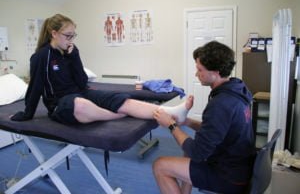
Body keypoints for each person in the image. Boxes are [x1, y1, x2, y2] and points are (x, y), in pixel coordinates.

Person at [10, 14, 192, 125]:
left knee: (119, 98)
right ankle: (115, 116)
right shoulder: (42, 56)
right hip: (60, 104)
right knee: (79, 105)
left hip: (81, 93)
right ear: (54, 33)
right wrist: (28, 113)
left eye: (73, 35)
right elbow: (35, 87)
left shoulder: (72, 51)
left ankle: (174, 113)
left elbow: (82, 82)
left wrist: (73, 57)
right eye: (68, 35)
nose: (71, 39)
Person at [153, 41, 255, 194]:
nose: (196, 74)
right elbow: (216, 130)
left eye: (200, 70)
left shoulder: (221, 104)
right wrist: (187, 122)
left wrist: (171, 125)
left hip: (229, 177)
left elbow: (197, 152)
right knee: (187, 150)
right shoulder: (237, 89)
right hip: (239, 165)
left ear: (216, 73)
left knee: (160, 165)